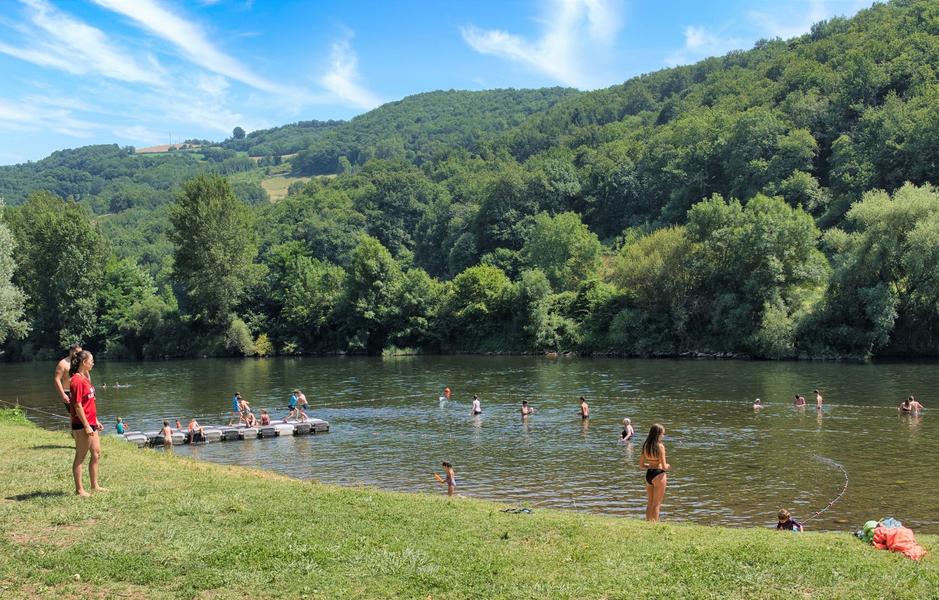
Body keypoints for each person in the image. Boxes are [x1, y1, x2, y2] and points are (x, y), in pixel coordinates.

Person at [69, 350, 104, 496]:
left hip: (91, 423)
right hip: (82, 425)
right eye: (91, 360)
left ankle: (94, 485)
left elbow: (88, 402)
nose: (93, 363)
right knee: (80, 456)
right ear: (84, 363)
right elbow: (77, 405)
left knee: (96, 453)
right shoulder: (76, 381)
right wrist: (86, 425)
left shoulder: (85, 378)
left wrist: (95, 421)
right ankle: (79, 490)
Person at [639, 423, 669, 522]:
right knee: (657, 503)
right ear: (658, 434)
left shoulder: (646, 445)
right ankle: (655, 525)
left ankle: (648, 523)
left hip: (649, 474)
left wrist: (651, 465)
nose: (663, 436)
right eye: (662, 434)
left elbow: (641, 465)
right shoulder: (660, 446)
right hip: (659, 474)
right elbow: (664, 466)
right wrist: (668, 466)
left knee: (650, 502)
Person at [54, 342, 82, 414]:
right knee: (74, 414)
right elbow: (57, 379)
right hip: (68, 392)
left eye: (80, 352)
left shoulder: (80, 361)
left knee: (84, 413)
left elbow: (86, 375)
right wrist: (63, 395)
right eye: (77, 352)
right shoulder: (62, 363)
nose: (78, 354)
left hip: (81, 390)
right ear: (71, 351)